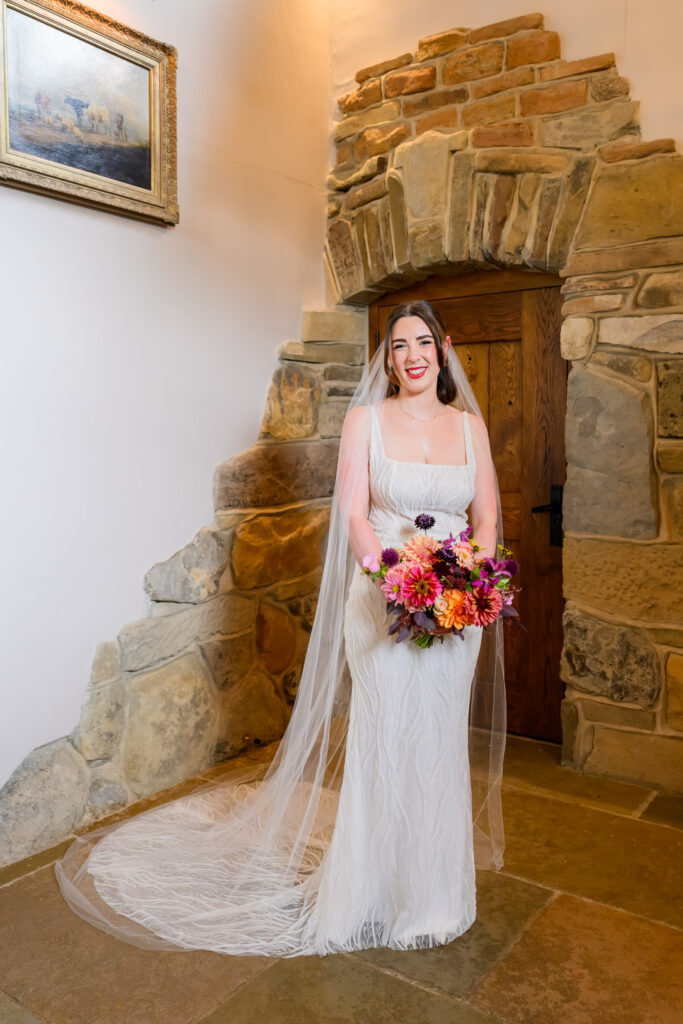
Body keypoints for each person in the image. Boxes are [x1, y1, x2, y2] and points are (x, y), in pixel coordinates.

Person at [55, 300, 507, 957]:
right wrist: (393, 576)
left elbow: (486, 516)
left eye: (421, 343)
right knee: (387, 740)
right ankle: (371, 893)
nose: (410, 356)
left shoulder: (469, 428)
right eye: (397, 345)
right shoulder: (364, 422)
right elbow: (353, 515)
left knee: (435, 740)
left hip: (456, 609)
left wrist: (468, 578)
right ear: (386, 358)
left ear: (443, 347)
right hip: (383, 597)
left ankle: (433, 896)